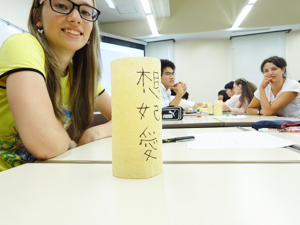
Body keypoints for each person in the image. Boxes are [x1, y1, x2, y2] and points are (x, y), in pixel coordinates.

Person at [0, 0, 112, 171]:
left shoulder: (79, 74)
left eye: (86, 12)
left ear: (90, 31)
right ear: (38, 16)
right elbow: (45, 144)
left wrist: (94, 133)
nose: (75, 17)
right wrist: (68, 143)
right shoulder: (22, 45)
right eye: (61, 6)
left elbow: (132, 117)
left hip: (40, 178)